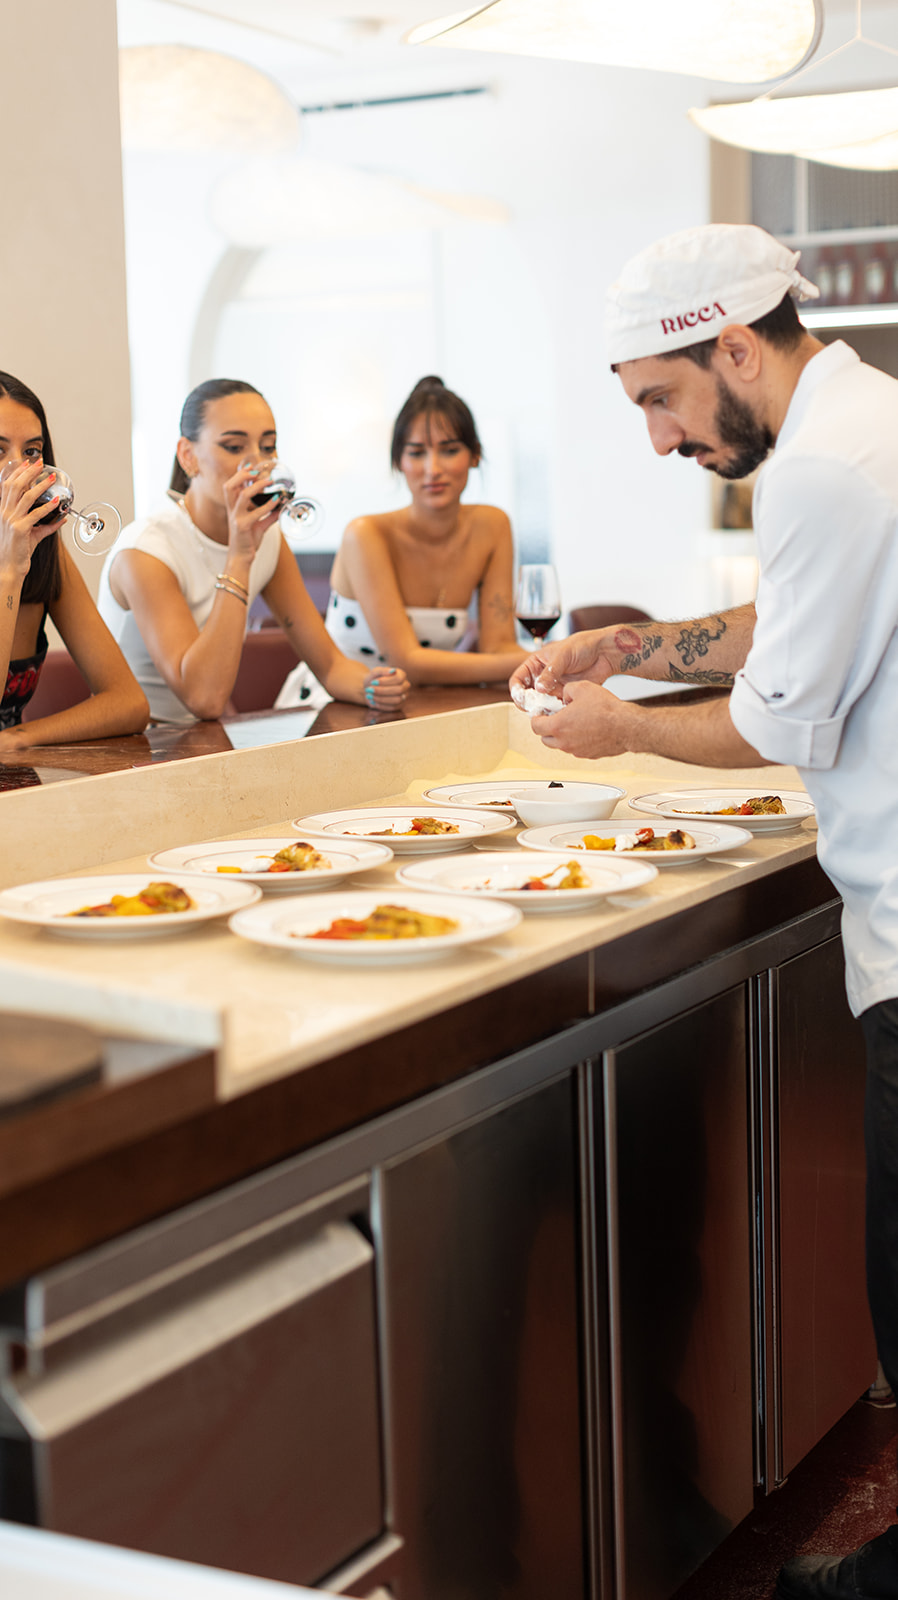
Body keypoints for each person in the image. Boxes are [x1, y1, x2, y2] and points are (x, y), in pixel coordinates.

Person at [511, 222, 898, 1600]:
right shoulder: (857, 427)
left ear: (734, 345)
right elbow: (763, 635)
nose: (660, 443)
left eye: (659, 403)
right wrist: (632, 645)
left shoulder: (824, 475)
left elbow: (777, 711)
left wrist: (617, 726)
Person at [98, 379, 409, 723]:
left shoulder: (269, 539)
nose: (257, 465)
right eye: (233, 447)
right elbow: (204, 698)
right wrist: (240, 556)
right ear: (188, 456)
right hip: (136, 743)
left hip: (203, 738)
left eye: (268, 447)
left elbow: (331, 666)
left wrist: (371, 687)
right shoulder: (145, 550)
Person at [325, 376, 528, 684]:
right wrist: (543, 657)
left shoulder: (493, 526)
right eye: (417, 453)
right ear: (398, 462)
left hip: (428, 702)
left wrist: (544, 661)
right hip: (338, 704)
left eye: (449, 450)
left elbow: (498, 646)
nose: (433, 469)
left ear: (474, 455)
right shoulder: (364, 534)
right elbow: (407, 662)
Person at [0, 372, 148, 751]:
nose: (23, 473)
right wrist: (9, 572)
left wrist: (18, 736)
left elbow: (129, 703)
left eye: (32, 452)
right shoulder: (16, 563)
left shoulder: (44, 552)